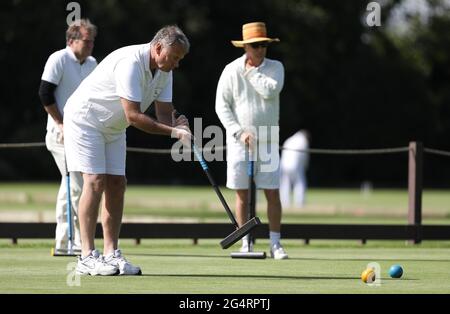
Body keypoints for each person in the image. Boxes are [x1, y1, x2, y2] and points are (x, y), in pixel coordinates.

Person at [64, 25, 192, 275]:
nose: (176, 64)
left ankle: (111, 254)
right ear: (157, 48)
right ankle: (86, 256)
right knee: (95, 182)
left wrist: (178, 122)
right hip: (85, 119)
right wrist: (174, 132)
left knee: (117, 184)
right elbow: (133, 116)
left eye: (180, 59)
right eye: (174, 57)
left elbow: (164, 114)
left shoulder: (164, 71)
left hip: (113, 127)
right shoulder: (130, 63)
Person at [216, 22, 288, 260]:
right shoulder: (230, 70)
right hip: (239, 143)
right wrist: (238, 132)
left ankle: (276, 243)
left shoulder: (276, 67)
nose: (260, 49)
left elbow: (270, 91)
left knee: (272, 193)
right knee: (242, 194)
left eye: (264, 45)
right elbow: (221, 106)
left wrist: (252, 72)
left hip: (268, 140)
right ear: (246, 46)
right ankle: (244, 241)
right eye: (255, 45)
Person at [38, 19, 97, 255]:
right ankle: (72, 242)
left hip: (81, 133)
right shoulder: (59, 59)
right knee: (74, 184)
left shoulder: (92, 63)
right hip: (59, 133)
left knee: (71, 184)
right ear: (72, 40)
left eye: (93, 41)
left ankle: (65, 242)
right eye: (87, 40)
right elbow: (45, 93)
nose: (91, 45)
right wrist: (61, 122)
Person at [280, 130, 310, 208]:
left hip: (284, 165)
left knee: (285, 184)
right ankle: (300, 203)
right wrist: (305, 166)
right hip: (296, 165)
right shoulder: (303, 141)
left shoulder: (289, 140)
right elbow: (304, 156)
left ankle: (285, 203)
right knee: (300, 183)